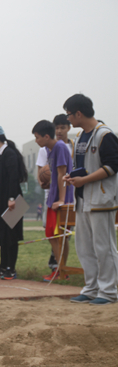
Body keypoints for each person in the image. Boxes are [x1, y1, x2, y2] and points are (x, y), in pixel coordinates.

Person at [62, 94, 118, 305]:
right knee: (85, 247)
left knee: (104, 247)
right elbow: (83, 167)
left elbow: (112, 166)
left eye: (69, 114)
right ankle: (91, 287)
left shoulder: (105, 135)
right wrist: (73, 176)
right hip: (83, 200)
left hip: (102, 199)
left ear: (78, 113)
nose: (68, 119)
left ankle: (108, 291)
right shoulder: (80, 137)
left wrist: (84, 179)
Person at [0, 126, 28, 280]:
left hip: (11, 202)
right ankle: (2, 266)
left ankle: (11, 268)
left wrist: (11, 199)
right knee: (2, 236)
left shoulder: (9, 153)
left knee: (11, 236)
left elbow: (13, 178)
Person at [32, 120, 74, 282]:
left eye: (37, 137)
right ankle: (60, 269)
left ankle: (62, 271)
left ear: (46, 136)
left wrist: (62, 200)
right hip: (52, 198)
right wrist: (45, 183)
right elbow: (53, 175)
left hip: (61, 199)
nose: (36, 141)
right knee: (51, 234)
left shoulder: (60, 148)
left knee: (60, 235)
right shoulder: (49, 150)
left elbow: (62, 174)